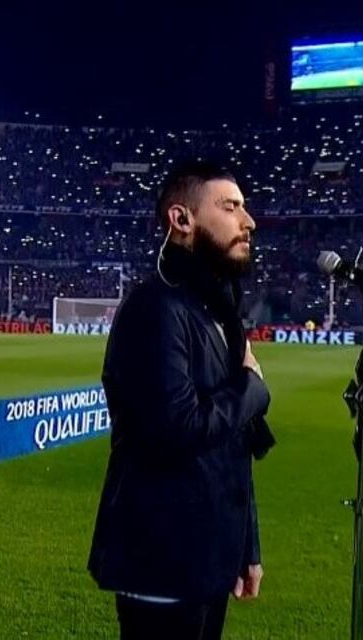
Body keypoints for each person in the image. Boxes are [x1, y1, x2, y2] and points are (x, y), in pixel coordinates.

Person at [88, 161, 274, 640]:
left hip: (208, 559)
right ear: (182, 220)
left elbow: (233, 446)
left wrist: (245, 545)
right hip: (162, 561)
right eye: (230, 207)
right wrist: (251, 389)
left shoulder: (212, 310)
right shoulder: (156, 308)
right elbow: (176, 429)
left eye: (245, 208)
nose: (247, 221)